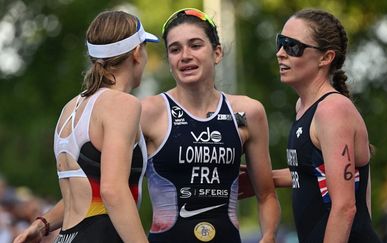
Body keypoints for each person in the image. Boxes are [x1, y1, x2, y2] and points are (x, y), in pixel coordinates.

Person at [13, 10, 158, 243]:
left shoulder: (71, 108)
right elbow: (112, 191)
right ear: (137, 52)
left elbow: (80, 194)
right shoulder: (123, 105)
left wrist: (42, 224)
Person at [240, 8, 383, 243]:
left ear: (325, 58)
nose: (280, 53)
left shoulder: (332, 110)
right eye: (280, 42)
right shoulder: (304, 107)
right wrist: (264, 178)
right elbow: (312, 172)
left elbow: (345, 207)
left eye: (292, 46)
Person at [139, 8, 280, 243]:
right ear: (169, 60)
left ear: (217, 53)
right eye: (175, 49)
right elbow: (113, 187)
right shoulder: (148, 112)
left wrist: (268, 236)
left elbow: (266, 195)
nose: (185, 56)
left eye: (195, 45)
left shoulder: (247, 111)